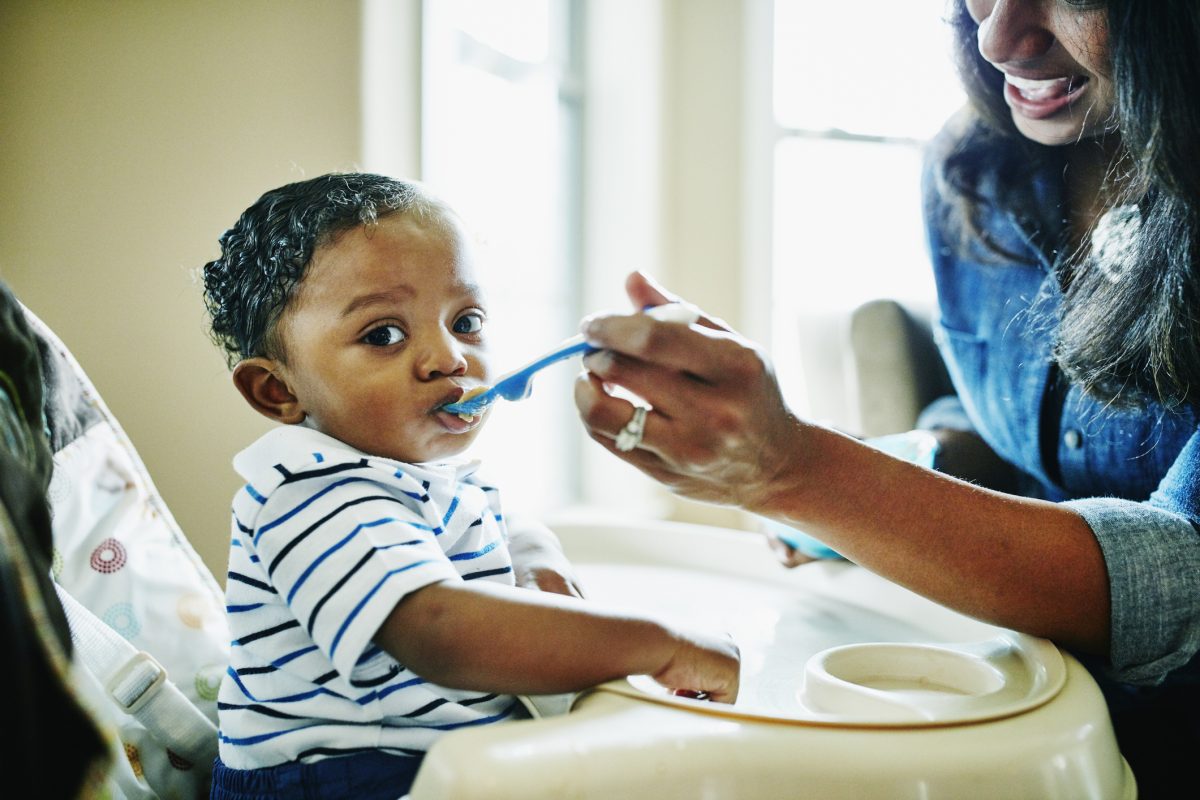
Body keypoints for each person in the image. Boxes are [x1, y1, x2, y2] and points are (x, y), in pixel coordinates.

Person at [573, 0, 1200, 794]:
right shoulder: (974, 170)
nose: (999, 38)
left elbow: (1180, 580)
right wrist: (904, 466)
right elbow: (1013, 435)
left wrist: (798, 470)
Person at [200, 173, 739, 800]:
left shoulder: (423, 474)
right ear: (279, 390)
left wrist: (538, 563)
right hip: (340, 777)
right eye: (384, 335)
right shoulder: (313, 495)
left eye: (466, 319)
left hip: (437, 760)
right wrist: (660, 643)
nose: (448, 356)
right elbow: (440, 631)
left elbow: (502, 522)